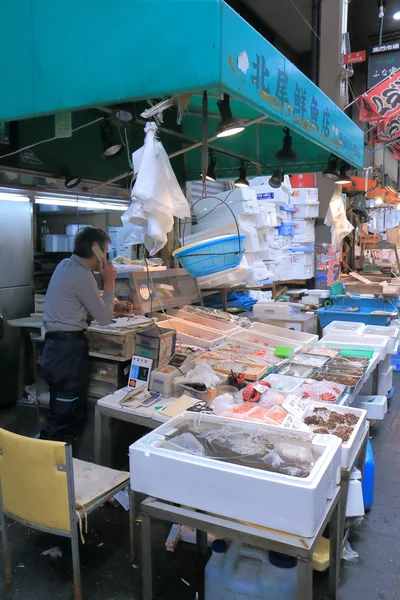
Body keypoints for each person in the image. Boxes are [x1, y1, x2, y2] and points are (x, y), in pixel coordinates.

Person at [39, 227, 119, 441]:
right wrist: (109, 281)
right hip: (68, 352)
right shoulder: (82, 274)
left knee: (60, 411)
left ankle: (51, 463)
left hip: (54, 349)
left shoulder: (65, 265)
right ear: (97, 250)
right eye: (105, 251)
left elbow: (77, 303)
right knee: (66, 416)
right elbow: (103, 319)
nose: (107, 255)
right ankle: (53, 467)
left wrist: (112, 305)